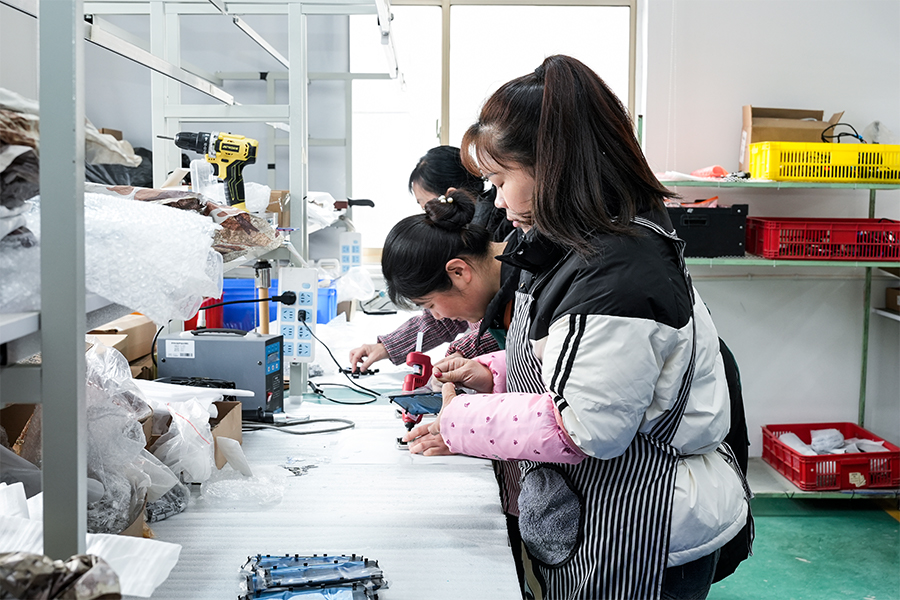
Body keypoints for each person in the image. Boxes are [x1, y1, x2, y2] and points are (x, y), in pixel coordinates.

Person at [400, 55, 752, 600]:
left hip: (642, 530)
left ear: (553, 166)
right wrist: (492, 374)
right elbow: (575, 358)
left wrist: (459, 421)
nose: (496, 200)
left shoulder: (618, 268)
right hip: (600, 514)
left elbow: (589, 426)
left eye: (500, 180)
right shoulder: (570, 246)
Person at [349, 146, 513, 373]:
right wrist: (388, 346)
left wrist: (461, 353)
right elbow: (448, 312)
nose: (429, 215)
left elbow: (503, 327)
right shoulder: (476, 249)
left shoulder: (501, 248)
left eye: (425, 204)